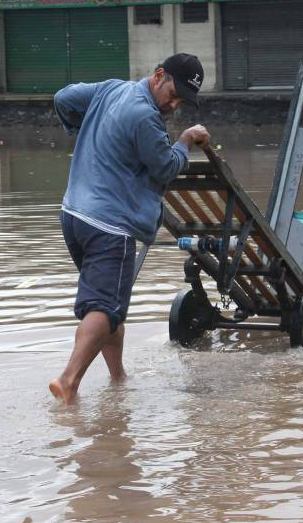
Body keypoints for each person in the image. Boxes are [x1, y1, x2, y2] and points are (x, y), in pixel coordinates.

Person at [49, 53, 212, 402]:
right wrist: (185, 140)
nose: (175, 103)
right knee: (105, 308)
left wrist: (82, 129)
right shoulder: (145, 118)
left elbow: (63, 98)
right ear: (158, 76)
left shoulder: (110, 90)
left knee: (110, 302)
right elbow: (166, 168)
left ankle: (118, 378)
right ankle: (68, 381)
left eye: (182, 100)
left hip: (74, 215)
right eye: (173, 93)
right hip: (111, 225)